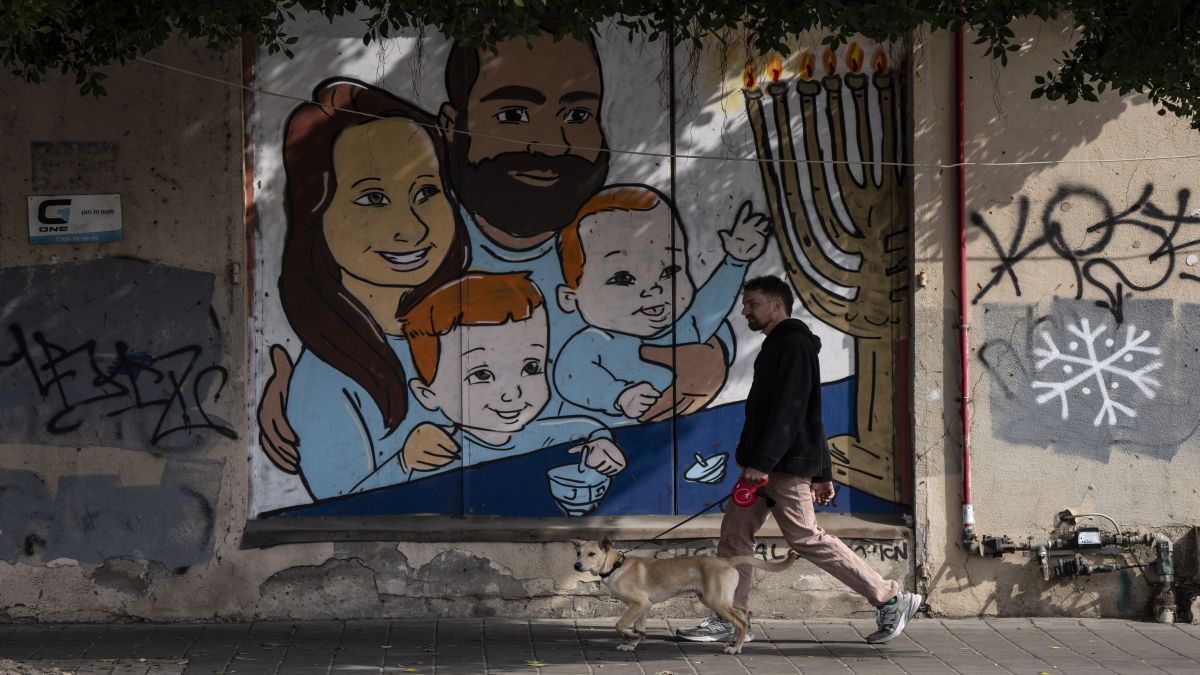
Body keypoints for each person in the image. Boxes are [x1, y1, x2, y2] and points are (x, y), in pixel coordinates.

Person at [675, 275, 921, 645]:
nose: (745, 311)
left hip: (778, 468)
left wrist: (764, 463)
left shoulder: (791, 345)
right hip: (766, 465)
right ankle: (731, 617)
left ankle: (890, 596)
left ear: (776, 306)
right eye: (745, 304)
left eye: (752, 304)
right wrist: (823, 472)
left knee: (805, 537)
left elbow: (791, 412)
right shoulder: (780, 345)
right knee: (735, 535)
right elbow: (812, 414)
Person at [268, 78, 469, 499]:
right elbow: (335, 506)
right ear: (317, 216)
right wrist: (404, 463)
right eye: (373, 199)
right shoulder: (327, 374)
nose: (412, 228)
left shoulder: (466, 325)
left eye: (427, 192)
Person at [553, 185, 771, 425]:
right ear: (569, 298)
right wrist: (618, 396)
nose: (654, 289)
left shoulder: (688, 324)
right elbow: (571, 377)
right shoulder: (592, 342)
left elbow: (712, 304)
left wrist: (736, 261)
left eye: (669, 270)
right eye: (622, 278)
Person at [400, 271, 626, 478]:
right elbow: (367, 498)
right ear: (426, 394)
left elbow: (586, 427)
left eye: (530, 368)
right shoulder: (436, 450)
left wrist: (600, 442)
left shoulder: (541, 437)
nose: (512, 393)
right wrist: (404, 461)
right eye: (481, 375)